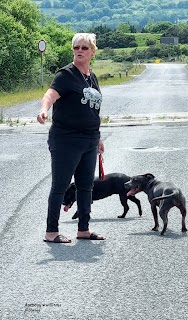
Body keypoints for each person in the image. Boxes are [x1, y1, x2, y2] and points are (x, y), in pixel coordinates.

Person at [37, 33, 105, 243]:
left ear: (92, 51)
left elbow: (93, 110)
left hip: (89, 140)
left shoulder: (91, 77)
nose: (80, 51)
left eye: (85, 48)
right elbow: (50, 94)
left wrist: (98, 138)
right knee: (61, 185)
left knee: (86, 185)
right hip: (66, 139)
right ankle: (51, 231)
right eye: (77, 47)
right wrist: (44, 110)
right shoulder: (66, 75)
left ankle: (83, 229)